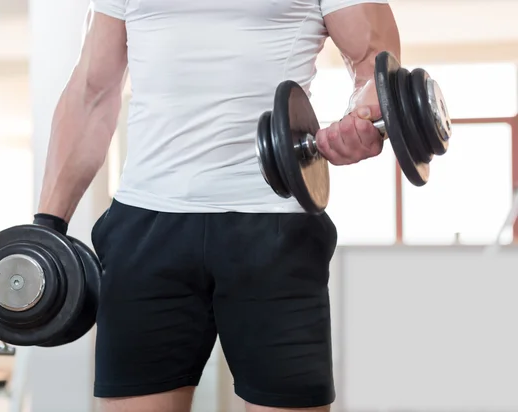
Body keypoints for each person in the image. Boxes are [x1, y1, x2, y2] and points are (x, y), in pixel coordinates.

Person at [35, 1, 400, 411]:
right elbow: (92, 91)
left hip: (275, 224)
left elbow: (376, 65)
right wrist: (46, 226)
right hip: (146, 225)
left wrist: (365, 118)